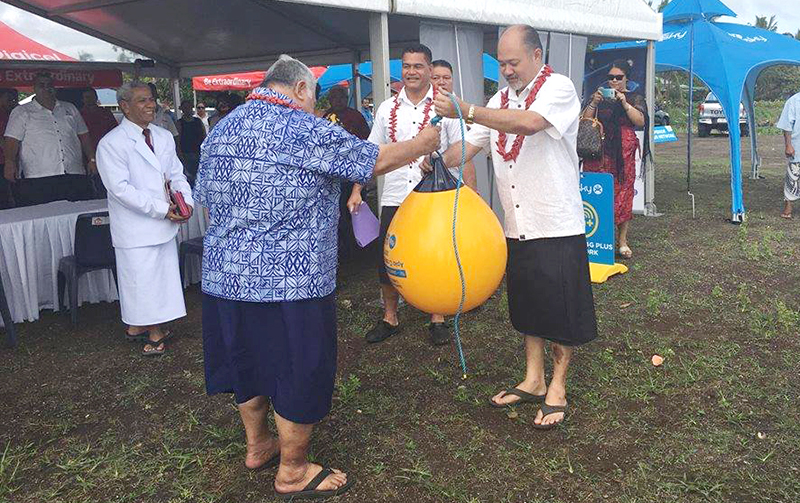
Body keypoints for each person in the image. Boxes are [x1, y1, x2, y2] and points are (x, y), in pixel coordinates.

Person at [194, 54, 439, 499]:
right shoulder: (304, 127)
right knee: (295, 370)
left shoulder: (222, 129)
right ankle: (292, 470)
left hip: (224, 279)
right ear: (303, 90)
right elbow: (372, 159)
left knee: (247, 362)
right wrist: (423, 144)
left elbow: (203, 198)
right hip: (291, 281)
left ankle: (257, 444)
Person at [433, 25, 598, 429]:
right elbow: (469, 146)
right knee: (527, 306)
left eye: (513, 62)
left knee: (558, 309)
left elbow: (527, 124)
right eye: (501, 63)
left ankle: (557, 385)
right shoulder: (498, 100)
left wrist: (466, 109)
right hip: (516, 225)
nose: (506, 70)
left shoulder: (558, 87)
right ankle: (533, 378)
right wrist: (430, 155)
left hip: (555, 222)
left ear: (537, 56)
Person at [347, 44, 476, 347]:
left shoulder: (446, 106)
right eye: (406, 66)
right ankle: (390, 317)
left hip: (433, 198)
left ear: (430, 70)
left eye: (418, 66)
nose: (412, 72)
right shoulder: (385, 109)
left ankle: (438, 317)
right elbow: (372, 154)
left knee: (436, 255)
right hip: (393, 195)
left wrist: (468, 190)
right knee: (387, 257)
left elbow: (466, 149)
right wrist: (356, 189)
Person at [96, 81, 193, 356]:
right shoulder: (111, 143)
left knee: (160, 278)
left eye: (151, 99)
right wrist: (161, 209)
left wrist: (184, 201)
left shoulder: (162, 136)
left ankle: (137, 326)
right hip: (136, 226)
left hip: (165, 222)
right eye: (142, 101)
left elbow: (176, 173)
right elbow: (120, 190)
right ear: (124, 106)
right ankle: (154, 332)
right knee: (141, 280)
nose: (151, 105)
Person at [580, 59, 646, 258]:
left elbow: (640, 121)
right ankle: (597, 238)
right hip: (597, 151)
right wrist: (594, 102)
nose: (614, 81)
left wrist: (624, 103)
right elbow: (584, 120)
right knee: (597, 192)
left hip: (623, 154)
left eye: (619, 77)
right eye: (611, 78)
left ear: (626, 78)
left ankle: (622, 241)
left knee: (624, 193)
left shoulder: (634, 97)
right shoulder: (598, 96)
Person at [4, 72, 97, 207]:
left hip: (74, 172)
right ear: (34, 88)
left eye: (49, 85)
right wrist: (10, 162)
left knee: (76, 214)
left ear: (55, 88)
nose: (46, 88)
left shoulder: (70, 108)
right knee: (44, 217)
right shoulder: (22, 111)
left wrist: (91, 159)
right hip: (39, 176)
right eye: (41, 85)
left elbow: (84, 136)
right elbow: (12, 140)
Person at [430, 59, 478, 190]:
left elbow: (464, 153)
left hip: (444, 186)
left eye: (446, 78)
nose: (441, 82)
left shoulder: (454, 109)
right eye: (436, 78)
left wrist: (473, 193)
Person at [81, 87, 119, 198]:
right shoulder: (79, 115)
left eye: (92, 97)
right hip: (87, 157)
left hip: (107, 155)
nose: (89, 100)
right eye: (86, 97)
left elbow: (115, 132)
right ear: (82, 99)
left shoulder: (105, 113)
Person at [777, 90, 800, 218]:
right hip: (797, 146)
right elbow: (786, 125)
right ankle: (788, 205)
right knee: (793, 176)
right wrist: (788, 145)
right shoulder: (794, 101)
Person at [176, 99, 206, 184]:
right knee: (189, 177)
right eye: (185, 107)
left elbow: (204, 136)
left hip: (198, 153)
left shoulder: (198, 121)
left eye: (189, 107)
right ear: (182, 109)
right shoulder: (179, 123)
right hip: (186, 153)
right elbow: (178, 139)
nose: (187, 109)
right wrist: (180, 154)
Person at [0, 88, 18, 208]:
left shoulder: (12, 113)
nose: (12, 102)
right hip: (4, 160)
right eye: (8, 99)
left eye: (13, 99)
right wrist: (9, 158)